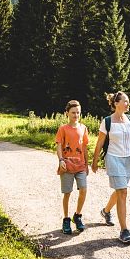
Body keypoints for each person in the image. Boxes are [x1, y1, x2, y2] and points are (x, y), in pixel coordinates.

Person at [90, 91, 130, 243]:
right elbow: (99, 143)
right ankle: (124, 230)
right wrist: (95, 161)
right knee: (122, 192)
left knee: (120, 191)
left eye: (128, 101)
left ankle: (106, 211)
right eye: (125, 101)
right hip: (113, 159)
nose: (127, 103)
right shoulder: (107, 121)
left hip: (128, 160)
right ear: (116, 103)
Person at [55, 100, 89, 234]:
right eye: (73, 112)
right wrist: (60, 160)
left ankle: (78, 216)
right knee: (67, 193)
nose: (76, 115)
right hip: (66, 165)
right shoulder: (63, 129)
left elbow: (85, 147)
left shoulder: (83, 128)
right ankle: (66, 219)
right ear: (67, 113)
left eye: (78, 113)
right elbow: (58, 145)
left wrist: (87, 164)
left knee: (83, 190)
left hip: (80, 165)